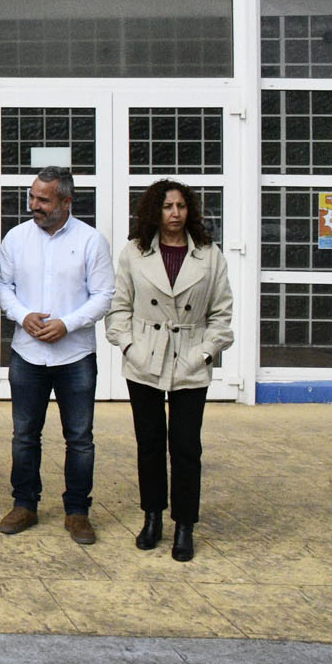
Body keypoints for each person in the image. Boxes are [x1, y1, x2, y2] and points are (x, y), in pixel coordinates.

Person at [106, 180, 233, 562]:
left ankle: (184, 525)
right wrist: (129, 346)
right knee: (149, 445)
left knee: (185, 446)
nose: (175, 214)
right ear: (153, 212)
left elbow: (221, 314)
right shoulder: (134, 253)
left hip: (190, 359)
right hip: (145, 358)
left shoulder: (210, 255)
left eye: (180, 206)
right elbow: (119, 307)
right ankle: (152, 518)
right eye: (166, 207)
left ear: (189, 210)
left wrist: (207, 353)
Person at [0, 166, 114, 544]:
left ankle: (77, 512)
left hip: (74, 355)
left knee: (79, 438)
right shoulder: (17, 238)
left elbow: (105, 295)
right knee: (25, 435)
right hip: (27, 353)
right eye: (32, 197)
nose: (34, 205)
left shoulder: (92, 241)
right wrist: (21, 315)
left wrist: (68, 324)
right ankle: (24, 504)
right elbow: (0, 285)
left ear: (66, 201)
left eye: (43, 199)